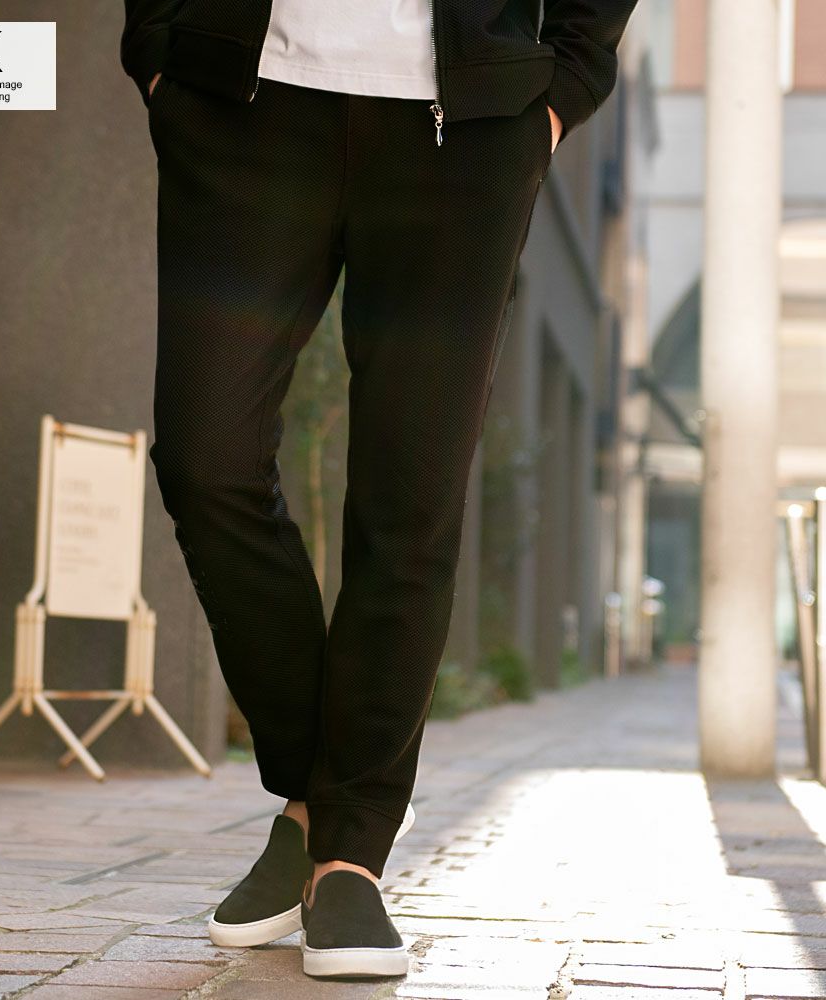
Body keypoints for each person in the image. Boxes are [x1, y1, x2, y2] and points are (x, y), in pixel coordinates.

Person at [121, 0, 638, 979]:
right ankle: (320, 796)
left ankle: (347, 851)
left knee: (412, 499)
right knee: (205, 457)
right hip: (244, 101)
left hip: (465, 131)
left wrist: (560, 93)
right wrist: (158, 52)